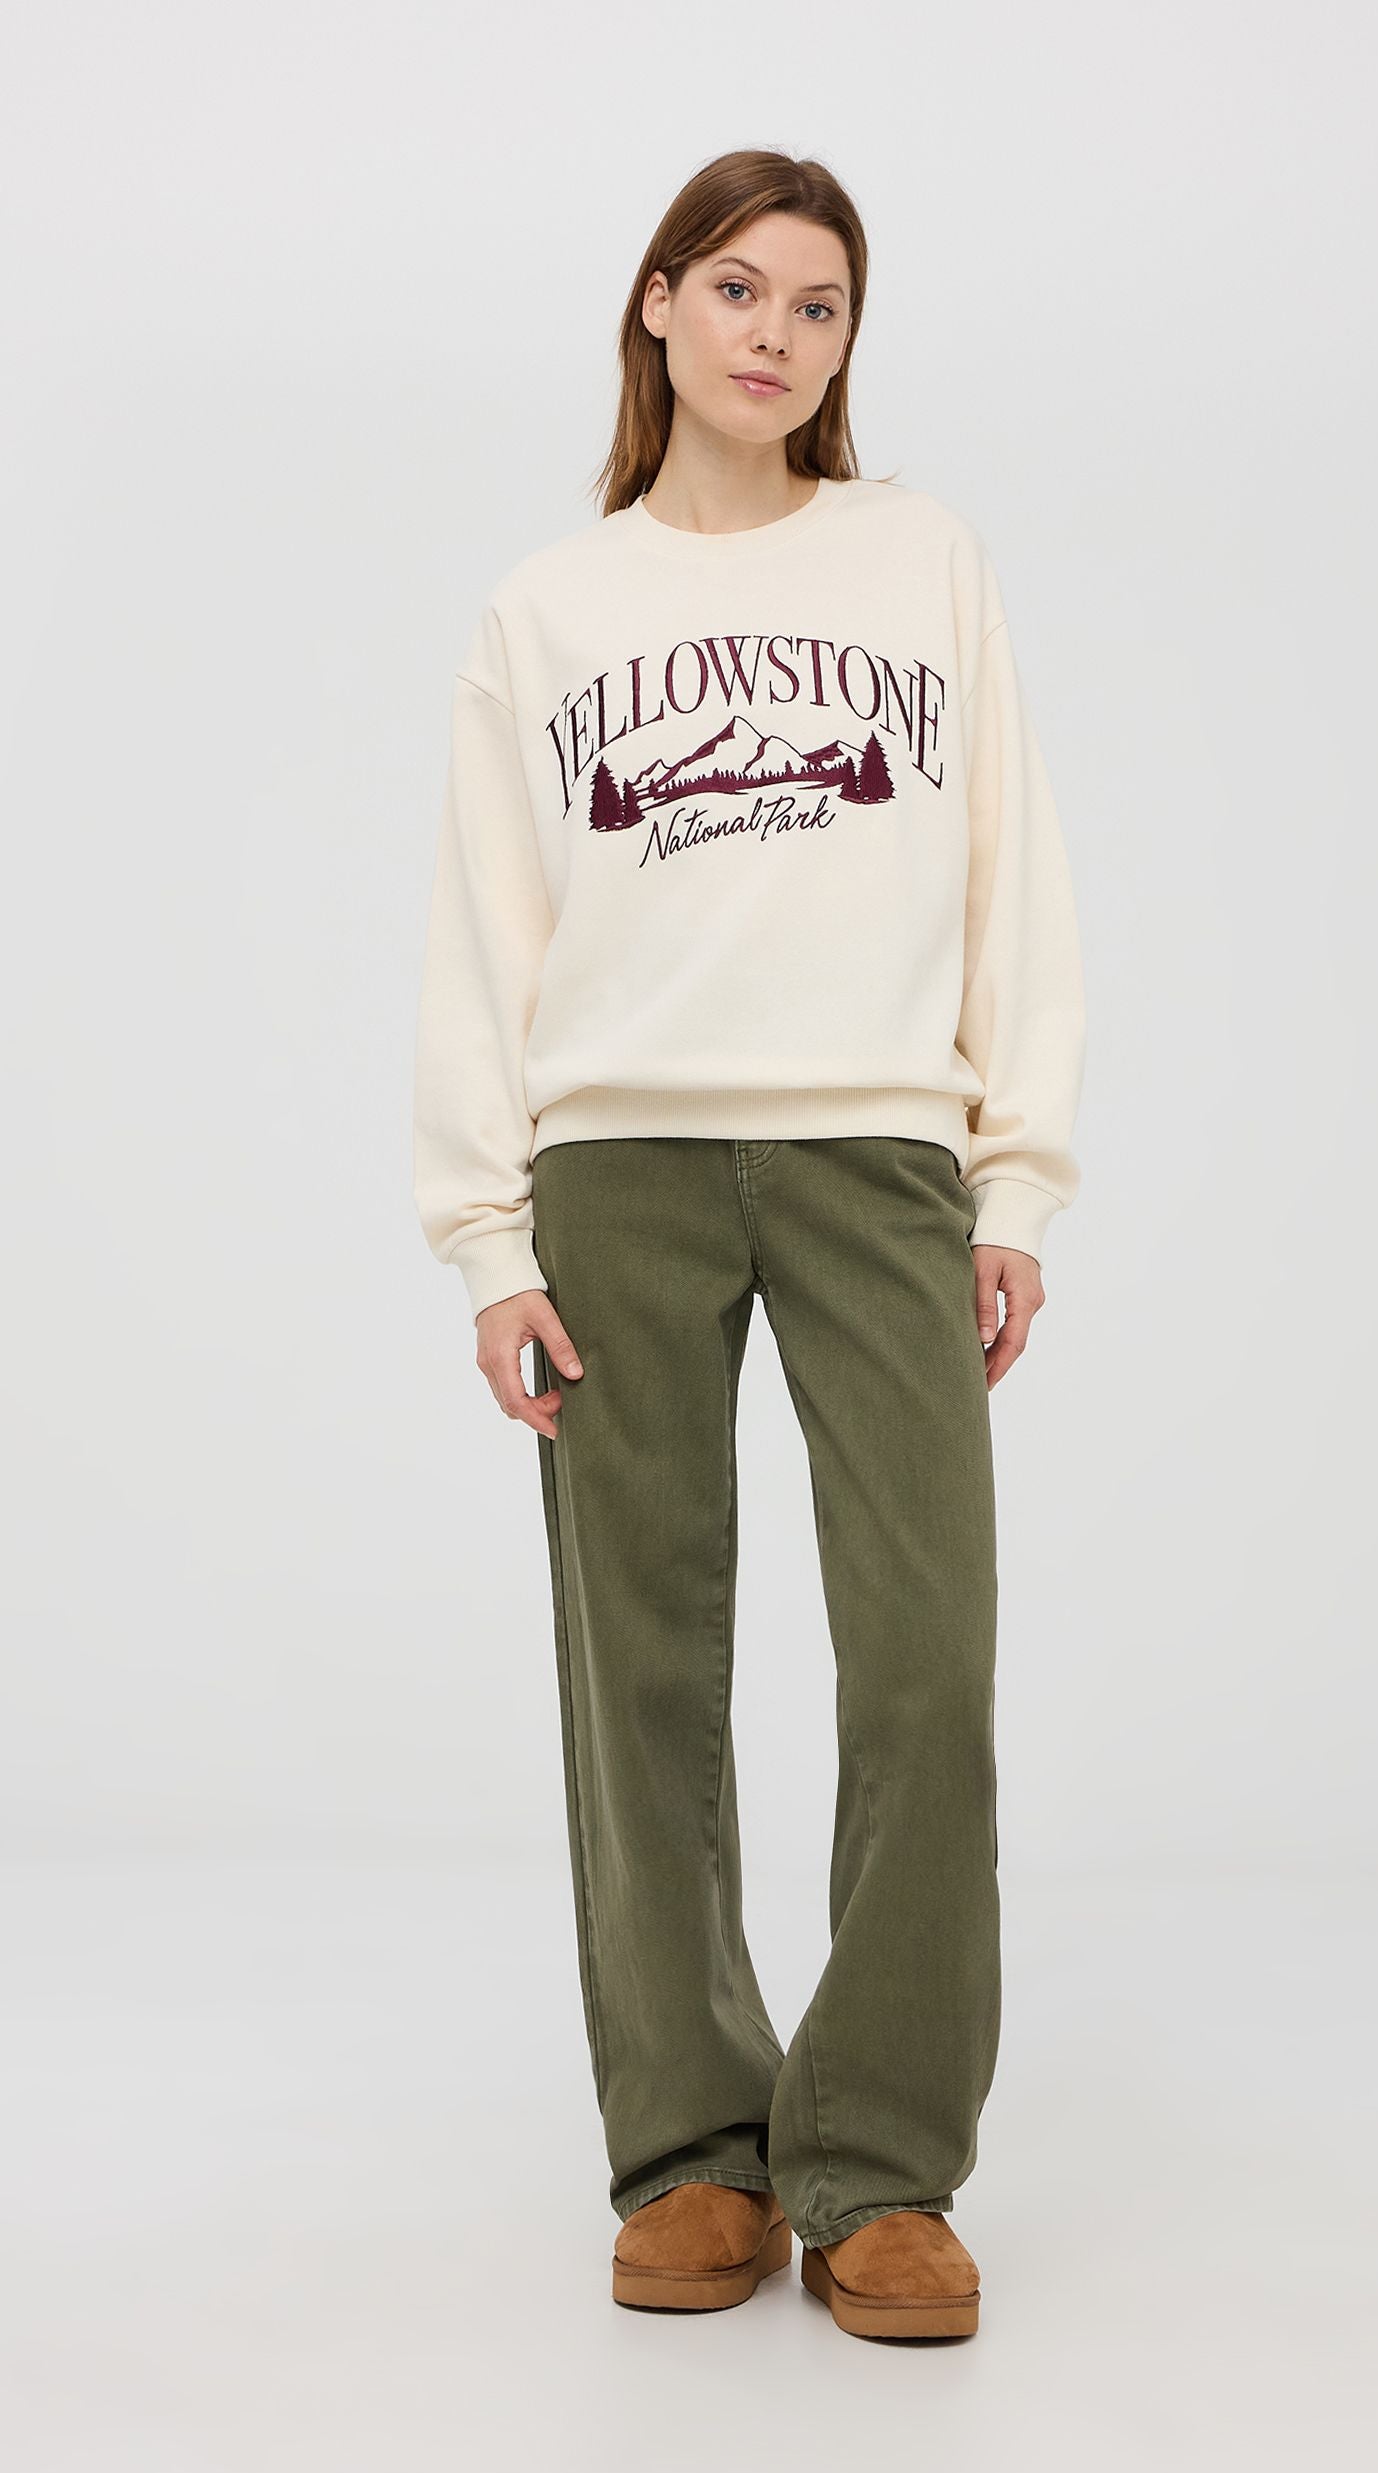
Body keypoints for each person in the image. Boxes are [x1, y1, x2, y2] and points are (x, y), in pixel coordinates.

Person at [411, 147, 1086, 2343]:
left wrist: (1011, 1177)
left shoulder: (921, 559)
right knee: (639, 1669)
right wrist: (486, 1235)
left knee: (924, 1660)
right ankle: (693, 2150)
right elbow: (482, 929)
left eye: (817, 304)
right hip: (615, 1169)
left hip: (876, 1155)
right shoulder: (547, 607)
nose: (774, 335)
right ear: (656, 307)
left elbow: (1009, 871)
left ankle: (877, 2162)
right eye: (735, 288)